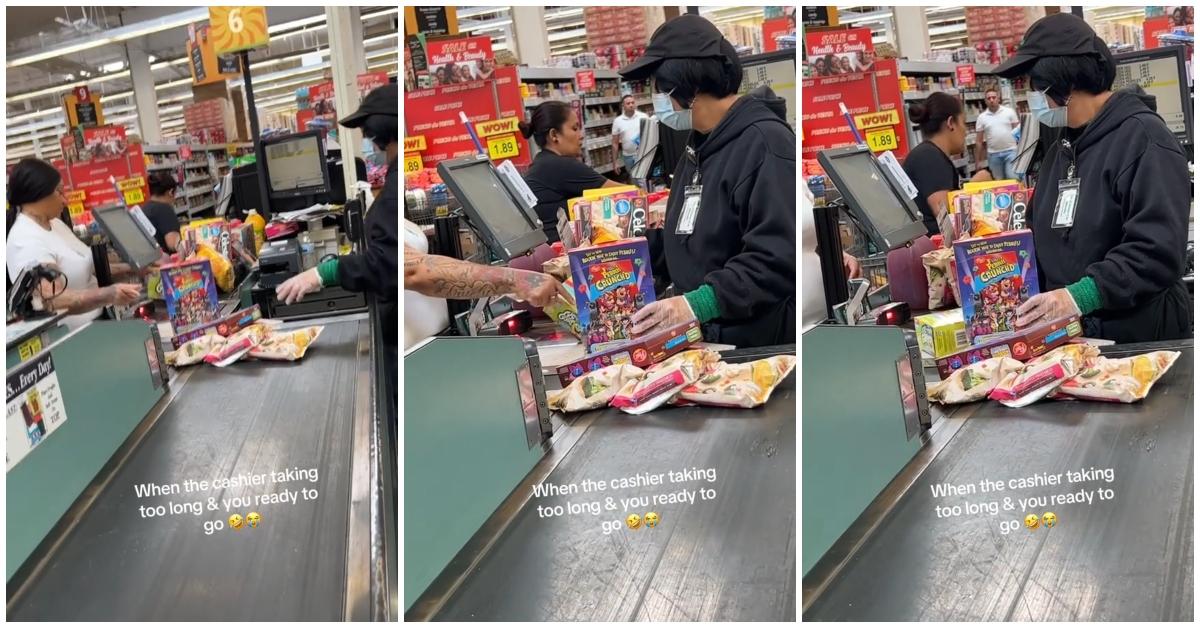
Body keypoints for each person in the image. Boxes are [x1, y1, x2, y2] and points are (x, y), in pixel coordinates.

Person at [993, 13, 1191, 342]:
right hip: (1078, 336)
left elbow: (1156, 251)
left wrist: (1078, 297)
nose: (1034, 99)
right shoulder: (1061, 143)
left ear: (1063, 84)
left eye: (1036, 88)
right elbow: (1041, 227)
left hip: (1139, 339)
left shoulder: (1145, 140)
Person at [619, 14, 795, 348]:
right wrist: (620, 252)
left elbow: (777, 257)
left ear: (689, 86)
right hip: (712, 340)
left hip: (757, 347)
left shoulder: (764, 144)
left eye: (658, 87)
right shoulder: (701, 144)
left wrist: (695, 304)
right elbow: (692, 238)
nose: (655, 100)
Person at [6, 158, 142, 330]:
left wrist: (135, 267)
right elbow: (53, 298)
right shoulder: (25, 240)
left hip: (100, 323)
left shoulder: (55, 224)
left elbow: (88, 264)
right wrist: (108, 295)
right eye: (59, 192)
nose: (66, 200)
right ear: (37, 194)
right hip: (74, 340)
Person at [520, 100, 622, 243]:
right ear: (554, 135)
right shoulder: (560, 166)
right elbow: (626, 194)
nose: (581, 135)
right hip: (561, 253)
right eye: (575, 128)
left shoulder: (542, 162)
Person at [901, 91, 992, 237]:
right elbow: (944, 213)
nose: (965, 132)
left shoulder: (930, 154)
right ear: (950, 123)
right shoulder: (929, 157)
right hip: (934, 248)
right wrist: (974, 186)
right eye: (963, 122)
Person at [973, 88, 1022, 180]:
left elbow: (1018, 131)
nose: (991, 100)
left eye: (994, 97)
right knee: (998, 182)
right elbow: (979, 141)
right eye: (989, 98)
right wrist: (978, 161)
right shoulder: (981, 117)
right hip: (993, 155)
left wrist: (1021, 151)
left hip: (1011, 151)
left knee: (1013, 178)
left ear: (998, 99)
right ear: (985, 101)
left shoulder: (1009, 112)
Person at [142, 172, 183, 253]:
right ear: (171, 192)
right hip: (167, 262)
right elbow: (173, 244)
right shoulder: (164, 209)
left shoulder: (145, 209)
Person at [611, 94, 649, 178]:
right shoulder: (617, 121)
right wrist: (615, 162)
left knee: (644, 178)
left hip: (643, 154)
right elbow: (615, 143)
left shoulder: (643, 117)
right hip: (628, 156)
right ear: (623, 106)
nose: (631, 105)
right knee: (633, 179)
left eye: (632, 103)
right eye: (628, 103)